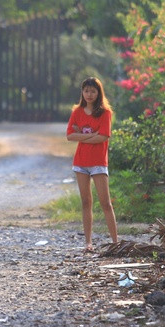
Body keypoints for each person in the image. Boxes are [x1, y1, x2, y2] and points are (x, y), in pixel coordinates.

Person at [65, 77, 118, 252]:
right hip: (80, 162)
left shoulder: (105, 113)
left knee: (105, 203)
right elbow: (69, 136)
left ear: (98, 93)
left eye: (93, 91)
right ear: (82, 92)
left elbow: (103, 137)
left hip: (98, 163)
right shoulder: (77, 112)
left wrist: (81, 135)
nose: (89, 94)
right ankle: (88, 243)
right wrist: (91, 135)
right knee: (86, 202)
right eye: (86, 91)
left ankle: (115, 243)